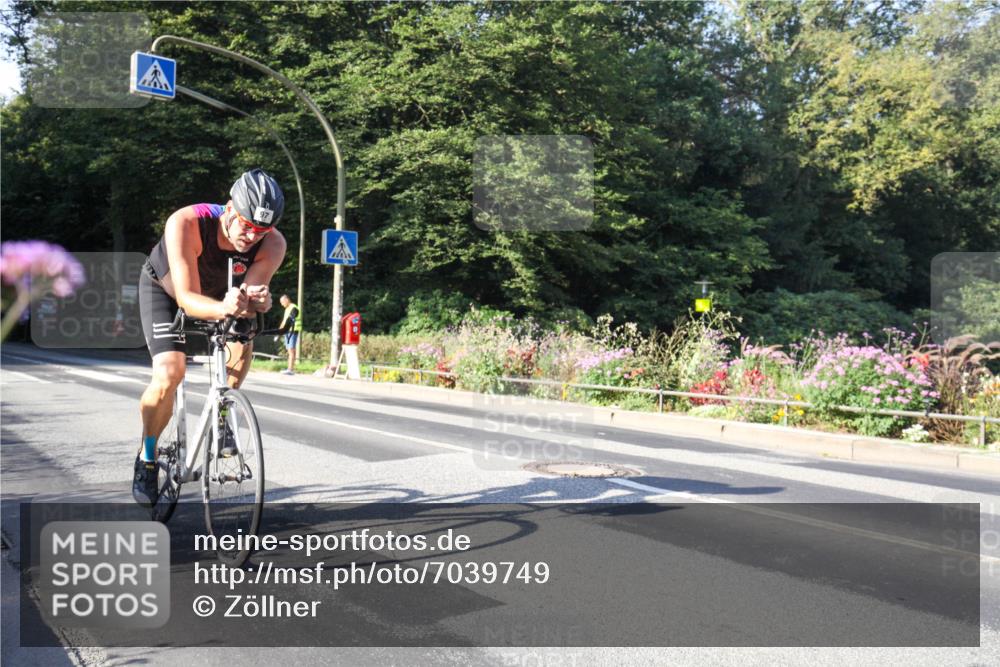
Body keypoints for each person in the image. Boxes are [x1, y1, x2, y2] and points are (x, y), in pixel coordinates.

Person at [133, 168, 287, 507]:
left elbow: (249, 295)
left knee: (244, 338)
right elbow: (187, 299)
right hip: (168, 290)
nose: (251, 236)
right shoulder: (186, 222)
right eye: (246, 225)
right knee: (170, 373)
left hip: (220, 295)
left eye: (261, 230)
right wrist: (225, 306)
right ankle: (146, 457)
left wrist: (257, 300)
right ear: (229, 209)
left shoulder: (272, 242)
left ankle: (223, 411)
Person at [278, 294, 301, 375]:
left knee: (291, 350)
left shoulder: (293, 308)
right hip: (288, 331)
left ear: (287, 300)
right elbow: (284, 321)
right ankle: (289, 368)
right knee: (289, 350)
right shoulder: (287, 309)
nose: (282, 304)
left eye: (282, 302)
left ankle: (290, 370)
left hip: (293, 331)